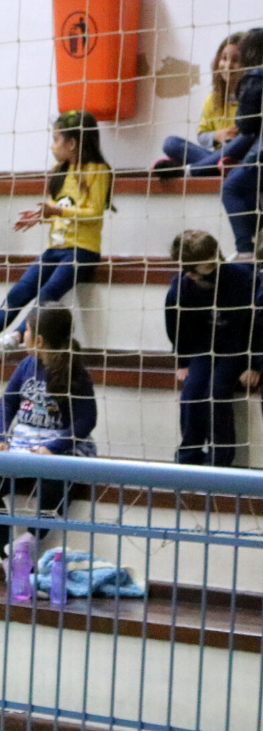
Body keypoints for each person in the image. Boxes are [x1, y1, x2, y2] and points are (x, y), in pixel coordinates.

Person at [0, 111, 111, 356]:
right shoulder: (59, 170)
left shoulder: (97, 170)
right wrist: (41, 216)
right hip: (56, 249)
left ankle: (15, 338)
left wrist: (56, 211)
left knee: (48, 292)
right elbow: (57, 208)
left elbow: (94, 213)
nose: (52, 145)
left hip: (83, 251)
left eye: (56, 139)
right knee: (21, 290)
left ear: (72, 143)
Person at [0, 306, 96, 575]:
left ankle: (29, 540)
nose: (22, 334)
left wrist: (53, 447)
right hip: (24, 444)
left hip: (59, 446)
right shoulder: (26, 365)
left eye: (25, 329)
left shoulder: (75, 372)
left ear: (38, 340)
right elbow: (7, 403)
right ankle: (9, 557)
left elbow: (87, 420)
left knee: (56, 480)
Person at [166, 230, 261, 466]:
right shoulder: (180, 289)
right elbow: (177, 328)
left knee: (216, 391)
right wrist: (183, 361)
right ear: (190, 272)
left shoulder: (242, 278)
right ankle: (188, 456)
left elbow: (256, 324)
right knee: (192, 391)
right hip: (203, 348)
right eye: (207, 266)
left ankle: (220, 460)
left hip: (236, 348)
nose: (214, 266)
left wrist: (253, 364)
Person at [153, 33, 243, 176]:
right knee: (171, 143)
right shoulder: (212, 99)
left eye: (235, 60)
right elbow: (202, 135)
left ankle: (189, 170)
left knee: (240, 144)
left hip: (243, 156)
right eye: (224, 59)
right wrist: (217, 135)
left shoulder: (251, 98)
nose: (227, 65)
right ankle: (215, 168)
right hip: (218, 158)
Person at [217, 28, 263, 259]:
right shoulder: (214, 97)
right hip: (241, 151)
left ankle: (245, 252)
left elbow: (245, 124)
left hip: (256, 150)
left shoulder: (255, 77)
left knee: (231, 187)